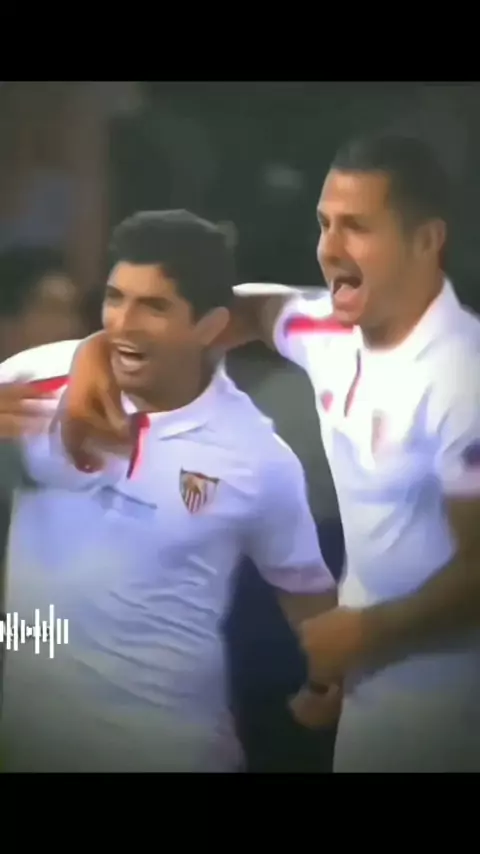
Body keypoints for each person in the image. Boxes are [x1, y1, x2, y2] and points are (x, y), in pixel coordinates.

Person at [65, 135, 480, 772]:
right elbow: (247, 311)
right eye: (324, 223)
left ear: (426, 240)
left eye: (357, 227)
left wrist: (369, 631)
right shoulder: (326, 330)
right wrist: (101, 349)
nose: (330, 248)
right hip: (373, 706)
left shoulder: (461, 377)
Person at [0, 210, 337, 772]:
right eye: (116, 299)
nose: (123, 325)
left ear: (211, 326)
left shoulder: (258, 458)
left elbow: (304, 590)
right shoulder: (33, 378)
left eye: (154, 307)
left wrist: (328, 684)